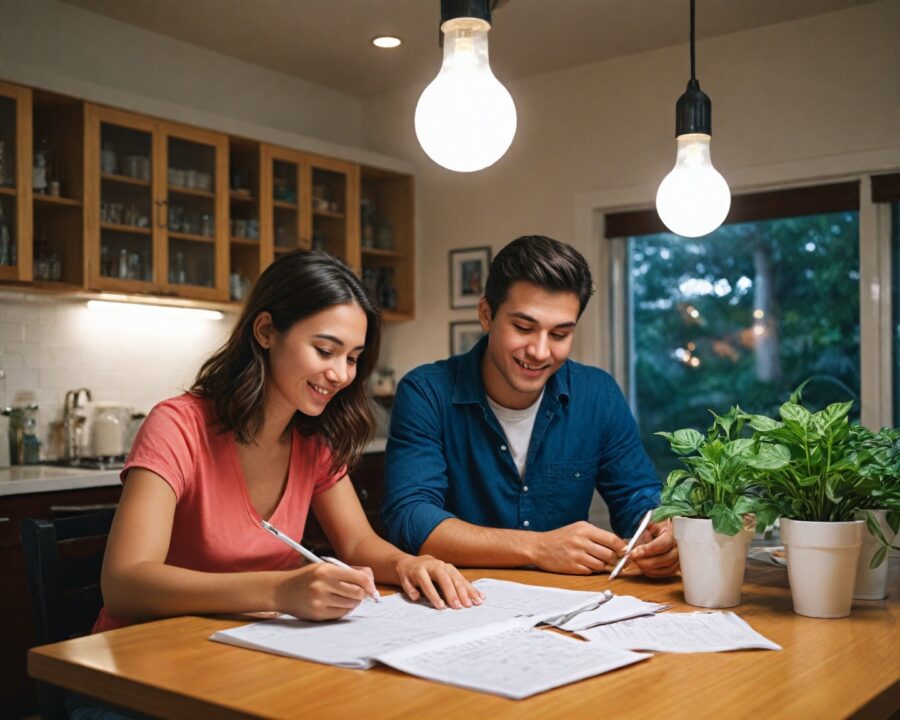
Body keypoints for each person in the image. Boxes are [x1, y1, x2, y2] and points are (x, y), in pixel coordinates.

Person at [95, 250, 482, 638]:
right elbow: (124, 585)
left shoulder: (312, 438)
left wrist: (408, 565)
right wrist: (279, 590)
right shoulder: (177, 426)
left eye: (353, 358)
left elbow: (358, 541)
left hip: (240, 653)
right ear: (265, 331)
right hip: (142, 658)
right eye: (325, 351)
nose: (341, 374)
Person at [381, 235, 678, 577]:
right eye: (523, 327)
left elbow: (637, 495)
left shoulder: (598, 394)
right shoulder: (426, 393)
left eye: (559, 334)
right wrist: (537, 547)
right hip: (457, 602)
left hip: (568, 604)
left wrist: (660, 531)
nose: (539, 351)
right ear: (486, 314)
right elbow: (410, 517)